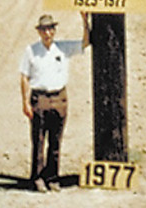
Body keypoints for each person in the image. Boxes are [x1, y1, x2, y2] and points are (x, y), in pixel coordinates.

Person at [20, 12, 90, 193]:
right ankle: (37, 178)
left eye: (50, 29)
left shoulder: (63, 48)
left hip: (59, 97)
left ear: (54, 30)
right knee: (39, 140)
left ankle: (52, 177)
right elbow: (24, 77)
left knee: (56, 141)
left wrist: (85, 21)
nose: (47, 33)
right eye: (44, 30)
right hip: (40, 98)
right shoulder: (31, 51)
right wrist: (26, 102)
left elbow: (85, 43)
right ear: (39, 32)